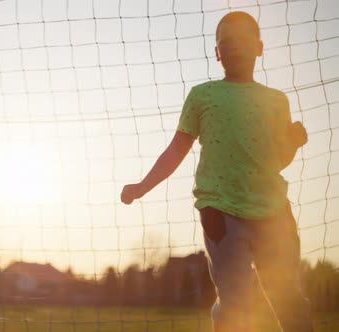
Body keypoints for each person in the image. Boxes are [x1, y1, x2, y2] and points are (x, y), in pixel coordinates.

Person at [120, 11, 313, 332]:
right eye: (226, 42)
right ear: (216, 52)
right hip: (221, 212)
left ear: (260, 47)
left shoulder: (277, 101)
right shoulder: (202, 96)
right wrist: (142, 186)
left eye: (243, 40)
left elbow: (274, 160)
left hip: (275, 213)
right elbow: (176, 150)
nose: (234, 47)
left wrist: (292, 144)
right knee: (236, 302)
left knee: (289, 300)